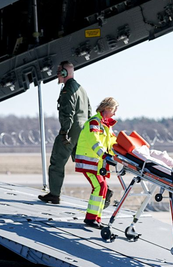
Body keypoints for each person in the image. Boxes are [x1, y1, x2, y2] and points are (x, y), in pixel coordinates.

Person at [38, 61, 91, 204]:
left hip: (72, 129)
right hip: (83, 129)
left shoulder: (68, 89)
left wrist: (64, 131)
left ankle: (54, 194)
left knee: (57, 161)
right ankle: (104, 189)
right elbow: (89, 111)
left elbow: (67, 111)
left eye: (59, 71)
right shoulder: (82, 89)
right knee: (84, 163)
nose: (57, 74)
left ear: (64, 73)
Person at [74, 97, 119, 228]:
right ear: (108, 108)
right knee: (100, 187)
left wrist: (120, 153)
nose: (115, 113)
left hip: (98, 164)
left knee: (103, 188)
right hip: (89, 162)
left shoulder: (106, 126)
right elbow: (94, 141)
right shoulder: (94, 122)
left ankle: (96, 218)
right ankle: (91, 219)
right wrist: (104, 155)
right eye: (114, 110)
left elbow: (112, 143)